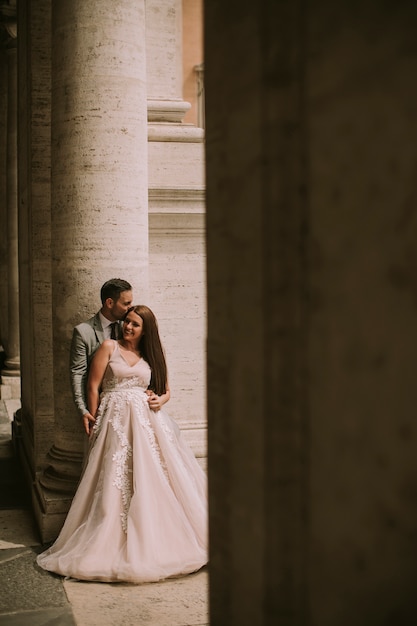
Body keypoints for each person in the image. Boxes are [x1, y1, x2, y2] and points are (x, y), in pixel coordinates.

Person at [37, 304, 208, 583]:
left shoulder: (150, 355)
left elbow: (165, 390)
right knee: (115, 477)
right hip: (113, 419)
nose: (128, 327)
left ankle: (158, 538)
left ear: (146, 330)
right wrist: (91, 418)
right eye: (127, 321)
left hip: (147, 422)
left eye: (135, 324)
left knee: (153, 475)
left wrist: (160, 400)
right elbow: (93, 386)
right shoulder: (109, 346)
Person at [70, 278, 133, 436]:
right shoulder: (83, 332)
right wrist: (83, 410)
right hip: (100, 407)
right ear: (110, 303)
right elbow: (78, 374)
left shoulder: (129, 326)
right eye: (126, 303)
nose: (130, 308)